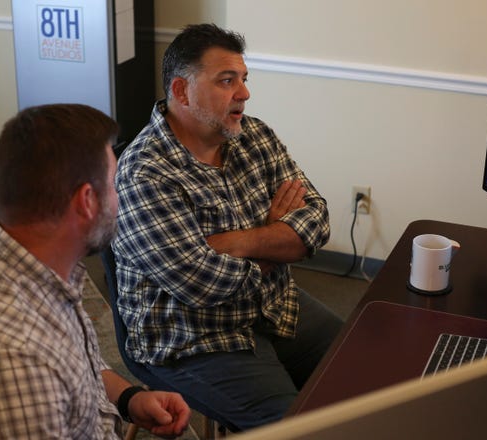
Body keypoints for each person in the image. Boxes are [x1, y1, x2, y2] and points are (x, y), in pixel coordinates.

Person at [0, 104, 190, 439]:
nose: (120, 199)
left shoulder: (15, 251)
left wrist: (129, 398)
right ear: (86, 201)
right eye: (113, 185)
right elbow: (37, 369)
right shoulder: (10, 369)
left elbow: (74, 362)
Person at [112, 23, 343, 432]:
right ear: (182, 91)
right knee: (297, 428)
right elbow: (200, 284)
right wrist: (275, 239)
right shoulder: (144, 171)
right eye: (226, 80)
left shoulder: (254, 136)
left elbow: (317, 221)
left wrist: (237, 242)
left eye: (244, 79)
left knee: (365, 372)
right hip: (189, 338)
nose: (244, 93)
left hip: (274, 306)